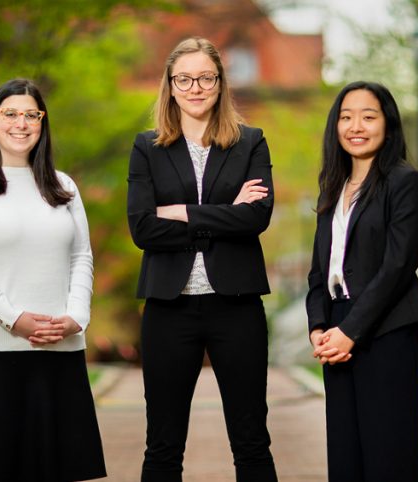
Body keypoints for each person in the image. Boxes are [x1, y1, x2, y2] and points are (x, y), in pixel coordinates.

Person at [0, 78, 105, 481]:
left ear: (42, 122)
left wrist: (76, 317)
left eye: (31, 115)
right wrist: (15, 319)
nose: (21, 124)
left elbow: (81, 257)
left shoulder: (63, 186)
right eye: (10, 114)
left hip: (59, 350)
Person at [126, 37, 277, 481]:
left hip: (237, 305)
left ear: (220, 83)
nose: (195, 88)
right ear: (170, 85)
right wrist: (225, 213)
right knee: (162, 445)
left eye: (206, 78)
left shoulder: (250, 142)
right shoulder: (147, 147)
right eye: (185, 79)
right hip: (168, 307)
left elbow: (256, 218)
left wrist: (181, 212)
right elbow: (142, 229)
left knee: (251, 441)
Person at [305, 81, 418, 482]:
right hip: (337, 337)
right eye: (346, 117)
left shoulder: (407, 183)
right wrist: (318, 327)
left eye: (368, 116)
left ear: (388, 125)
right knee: (346, 463)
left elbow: (397, 268)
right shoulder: (333, 188)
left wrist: (350, 332)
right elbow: (319, 271)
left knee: (387, 462)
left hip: (387, 336)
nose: (355, 126)